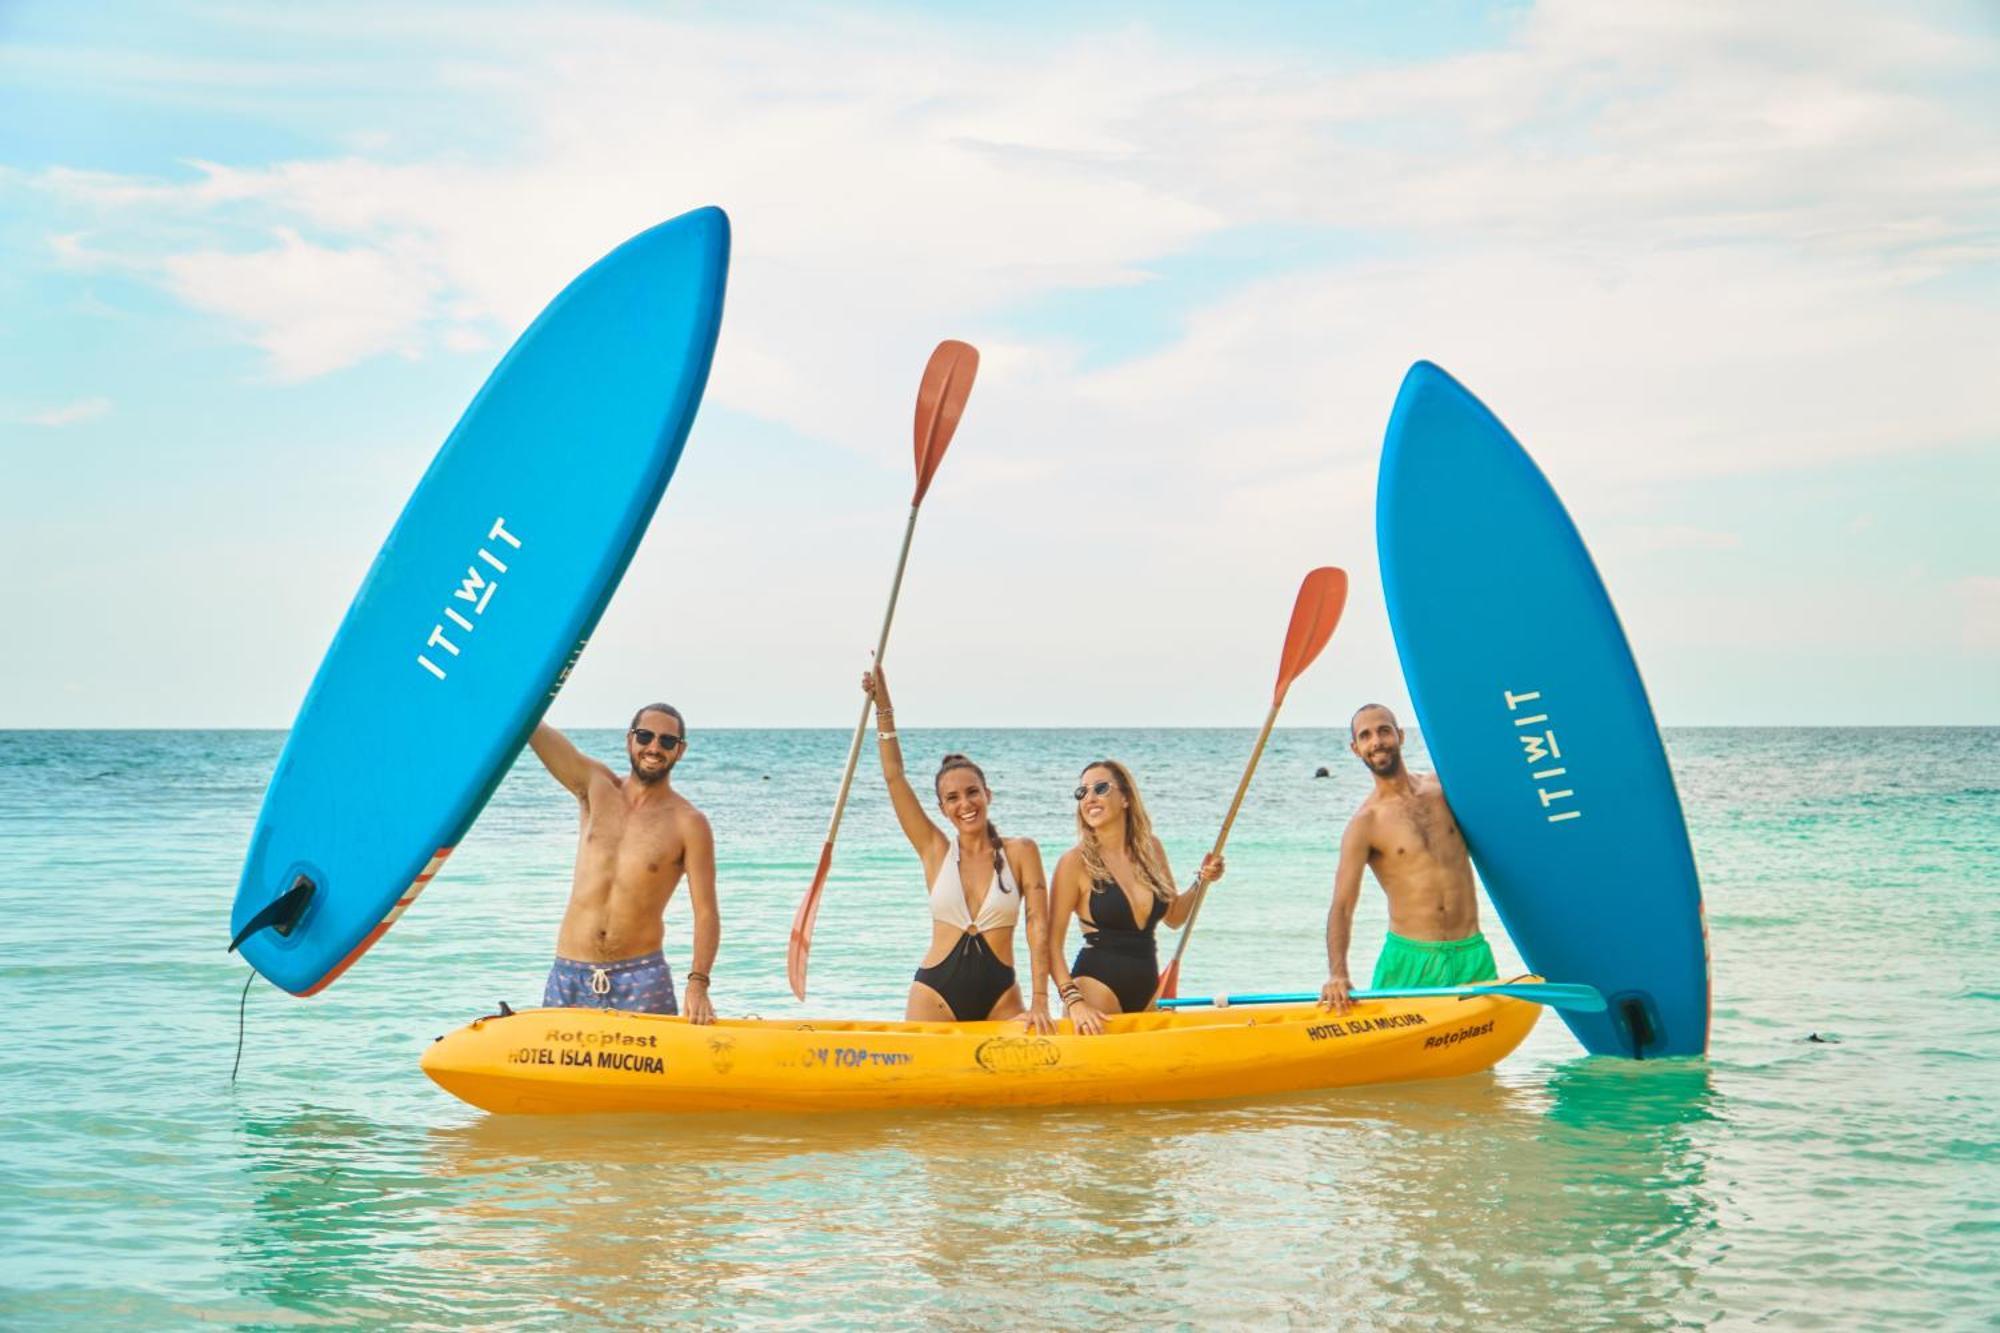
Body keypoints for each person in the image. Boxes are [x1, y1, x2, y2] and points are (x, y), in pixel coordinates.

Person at [863, 668, 1054, 1030]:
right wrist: (883, 705)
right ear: (942, 809)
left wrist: (1040, 1000)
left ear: (988, 795)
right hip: (936, 994)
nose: (965, 803)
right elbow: (894, 776)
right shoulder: (934, 850)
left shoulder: (1021, 852)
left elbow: (1038, 925)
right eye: (952, 798)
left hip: (1002, 998)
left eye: (972, 792)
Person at [528, 704, 719, 1023]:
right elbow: (532, 728)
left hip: (641, 978)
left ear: (680, 751)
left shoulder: (690, 824)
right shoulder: (594, 786)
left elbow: (706, 912)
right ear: (630, 740)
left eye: (667, 742)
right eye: (645, 736)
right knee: (562, 1075)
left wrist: (698, 983)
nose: (654, 748)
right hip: (569, 973)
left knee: (648, 1075)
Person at [1320, 703, 1497, 1012]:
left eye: (1384, 731)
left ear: (1400, 736)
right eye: (1366, 736)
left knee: (1479, 1059)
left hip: (1472, 954)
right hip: (1410, 962)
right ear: (1355, 748)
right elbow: (1342, 906)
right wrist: (1338, 974)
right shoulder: (1365, 823)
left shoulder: (1443, 790)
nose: (1377, 741)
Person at [1048, 760, 1223, 1034]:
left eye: (1100, 788)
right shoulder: (1074, 862)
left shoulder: (1150, 849)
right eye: (1082, 792)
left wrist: (1202, 880)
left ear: (1126, 798)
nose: (1089, 798)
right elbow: (1049, 944)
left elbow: (1175, 917)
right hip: (1096, 988)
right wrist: (1075, 1001)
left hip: (1148, 989)